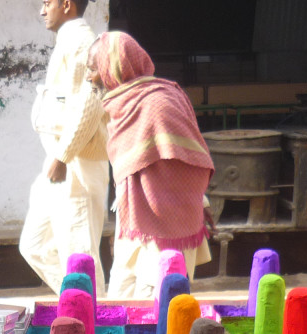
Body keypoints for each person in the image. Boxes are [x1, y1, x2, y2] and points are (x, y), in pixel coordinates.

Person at [87, 31, 215, 299]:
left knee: (157, 310)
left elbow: (188, 161)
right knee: (119, 305)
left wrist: (199, 202)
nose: (89, 77)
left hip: (165, 228)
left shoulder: (159, 101)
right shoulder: (121, 104)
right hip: (133, 223)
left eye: (93, 69)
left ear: (113, 67)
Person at [19, 0, 110, 295]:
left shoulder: (83, 42)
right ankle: (80, 302)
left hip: (75, 164)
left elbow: (90, 103)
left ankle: (93, 319)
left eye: (47, 3)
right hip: (58, 160)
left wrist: (62, 156)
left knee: (80, 254)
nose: (42, 11)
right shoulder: (68, 41)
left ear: (67, 4)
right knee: (33, 245)